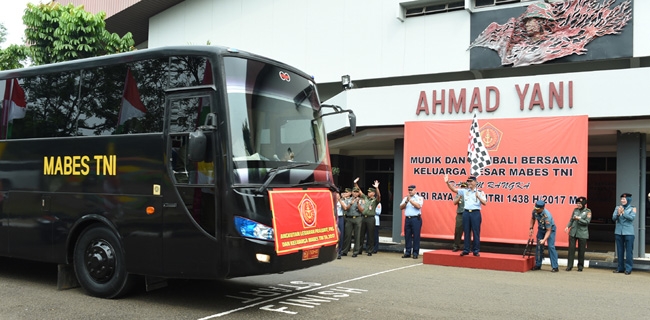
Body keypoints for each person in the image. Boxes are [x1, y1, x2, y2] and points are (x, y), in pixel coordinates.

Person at [444, 174, 486, 256]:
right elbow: (454, 190)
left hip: (475, 213)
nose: (469, 183)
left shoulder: (480, 192)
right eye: (468, 181)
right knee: (466, 232)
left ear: (475, 182)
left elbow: (484, 203)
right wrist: (447, 183)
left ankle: (476, 251)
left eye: (471, 181)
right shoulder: (465, 191)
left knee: (476, 232)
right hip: (466, 212)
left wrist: (479, 197)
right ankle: (466, 250)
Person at [529, 200, 559, 272]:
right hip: (541, 229)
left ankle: (555, 267)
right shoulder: (535, 211)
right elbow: (533, 218)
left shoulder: (547, 216)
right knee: (539, 246)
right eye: (535, 208)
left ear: (542, 208)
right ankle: (538, 265)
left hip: (550, 230)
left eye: (537, 209)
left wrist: (544, 240)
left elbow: (548, 230)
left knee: (551, 247)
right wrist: (531, 228)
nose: (536, 210)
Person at [564, 196, 591, 271]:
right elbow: (571, 220)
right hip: (573, 232)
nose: (578, 205)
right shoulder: (575, 210)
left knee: (581, 251)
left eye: (580, 203)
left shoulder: (588, 211)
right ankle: (569, 266)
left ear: (584, 203)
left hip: (582, 233)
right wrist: (567, 226)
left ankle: (580, 266)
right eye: (577, 203)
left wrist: (579, 219)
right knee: (571, 250)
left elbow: (587, 222)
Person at [612, 193, 636, 275]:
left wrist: (623, 213)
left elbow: (631, 218)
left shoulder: (633, 208)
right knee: (619, 251)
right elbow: (613, 218)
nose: (622, 200)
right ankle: (620, 268)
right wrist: (618, 214)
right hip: (618, 232)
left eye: (624, 199)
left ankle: (628, 269)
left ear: (628, 200)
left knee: (629, 251)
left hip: (629, 232)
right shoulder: (617, 207)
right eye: (621, 199)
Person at [356, 178, 381, 257]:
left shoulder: (375, 200)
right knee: (361, 234)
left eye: (370, 192)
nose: (368, 193)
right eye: (368, 192)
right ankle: (359, 249)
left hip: (371, 218)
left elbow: (379, 196)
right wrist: (355, 183)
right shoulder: (365, 198)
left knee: (370, 235)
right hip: (363, 217)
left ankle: (370, 250)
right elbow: (359, 191)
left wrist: (377, 187)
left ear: (373, 193)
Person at [400, 184, 423, 259]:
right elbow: (401, 207)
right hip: (408, 219)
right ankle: (407, 252)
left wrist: (410, 200)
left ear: (415, 190)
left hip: (416, 219)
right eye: (409, 190)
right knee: (407, 236)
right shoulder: (405, 198)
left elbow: (418, 206)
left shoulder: (419, 198)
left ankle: (415, 253)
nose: (410, 191)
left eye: (411, 190)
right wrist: (406, 201)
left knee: (416, 236)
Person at [342, 187, 363, 258]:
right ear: (352, 192)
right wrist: (351, 203)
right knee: (347, 235)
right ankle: (345, 251)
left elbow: (362, 211)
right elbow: (345, 208)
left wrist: (358, 204)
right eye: (354, 191)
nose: (355, 193)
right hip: (349, 218)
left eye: (357, 192)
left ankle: (355, 251)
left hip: (357, 218)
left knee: (357, 236)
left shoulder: (361, 200)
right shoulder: (348, 200)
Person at [451, 181, 467, 252]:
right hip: (460, 214)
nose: (463, 188)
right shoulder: (458, 194)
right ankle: (456, 246)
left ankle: (467, 247)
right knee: (458, 230)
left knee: (468, 231)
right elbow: (454, 203)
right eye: (462, 187)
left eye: (464, 187)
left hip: (467, 213)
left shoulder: (469, 194)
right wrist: (459, 197)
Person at [336, 188, 350, 259]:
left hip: (340, 218)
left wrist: (340, 200)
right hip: (334, 218)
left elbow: (345, 208)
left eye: (338, 194)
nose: (337, 195)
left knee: (341, 235)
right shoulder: (332, 201)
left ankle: (339, 252)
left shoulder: (342, 201)